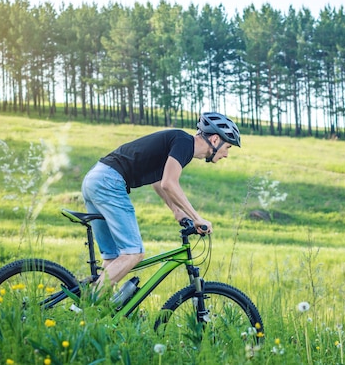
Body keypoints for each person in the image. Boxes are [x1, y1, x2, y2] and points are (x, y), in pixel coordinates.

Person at [81, 112, 241, 290]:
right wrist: (197, 217)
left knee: (113, 258)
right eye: (227, 147)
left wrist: (177, 211)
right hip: (109, 182)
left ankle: (93, 311)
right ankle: (89, 302)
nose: (226, 154)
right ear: (215, 139)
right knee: (133, 253)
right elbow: (169, 183)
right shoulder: (185, 142)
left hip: (95, 179)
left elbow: (158, 181)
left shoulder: (180, 145)